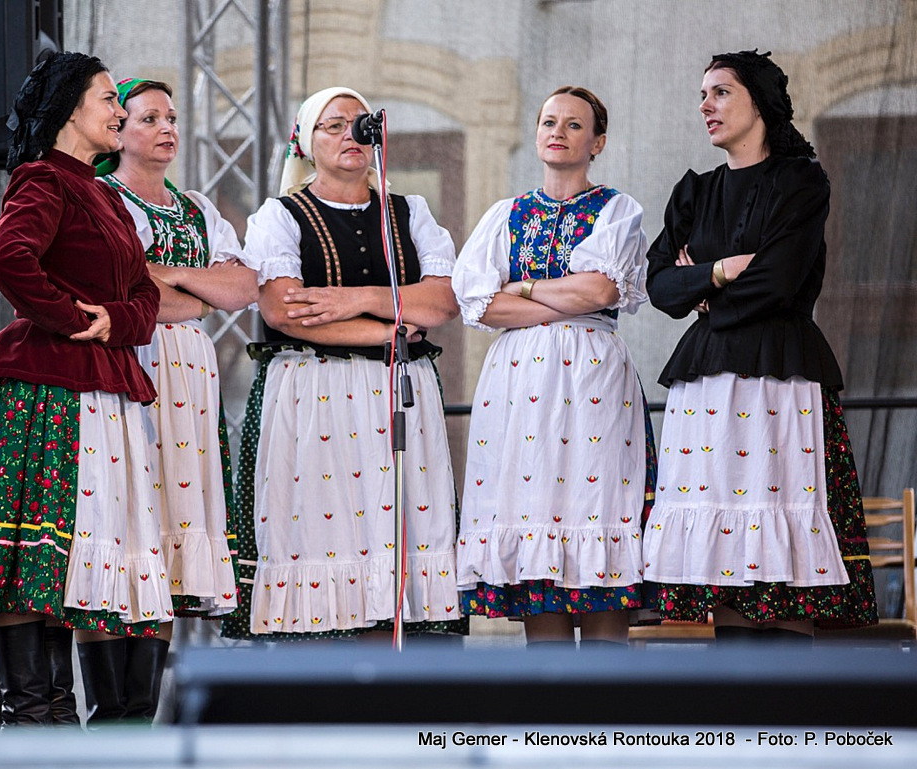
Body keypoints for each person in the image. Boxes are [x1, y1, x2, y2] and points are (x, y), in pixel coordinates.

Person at [0, 51, 169, 726]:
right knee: (37, 563)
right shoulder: (44, 179)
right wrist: (72, 319)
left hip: (100, 390)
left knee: (75, 568)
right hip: (46, 391)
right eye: (108, 98)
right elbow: (6, 257)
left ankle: (74, 731)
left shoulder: (103, 194)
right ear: (70, 107)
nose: (119, 111)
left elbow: (144, 295)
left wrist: (112, 321)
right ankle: (36, 726)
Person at [642, 50, 878, 644]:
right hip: (708, 388)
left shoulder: (800, 181)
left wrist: (702, 292)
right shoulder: (695, 192)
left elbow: (779, 281)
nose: (706, 105)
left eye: (720, 92)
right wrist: (721, 272)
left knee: (785, 563)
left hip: (778, 379)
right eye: (702, 94)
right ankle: (737, 695)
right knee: (727, 561)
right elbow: (660, 286)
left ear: (760, 102)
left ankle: (788, 697)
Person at [222, 86, 465, 641]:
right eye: (332, 125)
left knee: (394, 536)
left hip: (397, 389)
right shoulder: (281, 216)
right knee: (317, 532)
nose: (350, 134)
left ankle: (393, 673)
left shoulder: (408, 211)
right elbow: (285, 311)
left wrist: (352, 299)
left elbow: (442, 303)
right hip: (315, 392)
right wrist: (389, 327)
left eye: (359, 123)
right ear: (306, 143)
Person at [452, 86, 656, 647]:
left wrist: (522, 287)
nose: (558, 132)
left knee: (597, 509)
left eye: (573, 124)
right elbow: (478, 303)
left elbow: (600, 291)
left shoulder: (616, 208)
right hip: (519, 386)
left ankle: (606, 689)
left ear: (598, 142)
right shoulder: (506, 214)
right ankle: (549, 692)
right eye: (548, 122)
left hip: (592, 379)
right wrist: (564, 295)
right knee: (532, 519)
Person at [89, 77, 256, 693]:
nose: (167, 128)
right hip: (126, 362)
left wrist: (168, 277)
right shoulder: (102, 200)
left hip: (187, 378)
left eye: (172, 118)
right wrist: (195, 289)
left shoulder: (198, 208)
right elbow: (121, 291)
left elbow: (241, 289)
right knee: (123, 519)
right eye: (150, 118)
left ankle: (140, 712)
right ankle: (110, 709)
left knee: (169, 524)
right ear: (118, 131)